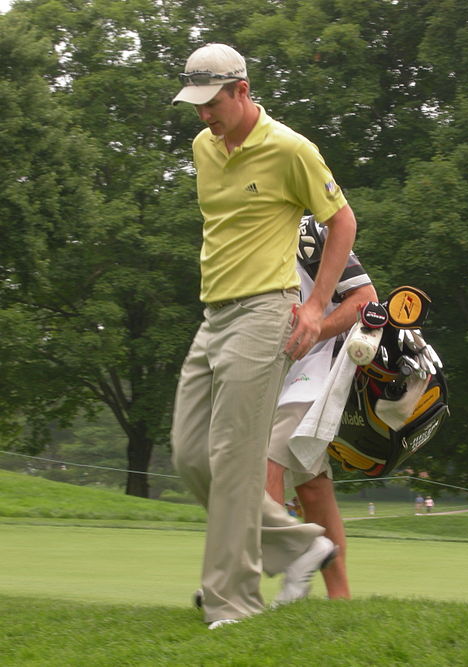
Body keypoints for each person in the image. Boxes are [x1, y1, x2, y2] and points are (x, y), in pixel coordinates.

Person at [170, 43, 357, 628]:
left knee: (232, 459)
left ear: (242, 90)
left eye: (213, 102)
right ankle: (299, 545)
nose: (204, 115)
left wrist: (317, 304)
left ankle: (233, 601)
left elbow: (341, 221)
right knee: (189, 453)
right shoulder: (204, 147)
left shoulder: (290, 149)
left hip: (264, 313)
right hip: (214, 315)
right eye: (196, 103)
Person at [266, 218, 376, 599]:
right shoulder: (235, 232)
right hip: (266, 374)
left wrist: (314, 331)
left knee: (265, 462)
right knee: (311, 488)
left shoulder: (311, 231)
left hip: (317, 367)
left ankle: (240, 582)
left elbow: (365, 299)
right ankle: (340, 598)